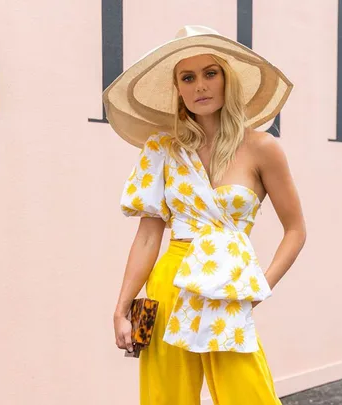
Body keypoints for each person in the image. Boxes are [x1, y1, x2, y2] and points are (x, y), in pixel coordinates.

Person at [105, 25, 306, 405]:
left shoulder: (262, 148)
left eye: (210, 73)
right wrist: (121, 309)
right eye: (188, 77)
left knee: (249, 396)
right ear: (177, 88)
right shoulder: (162, 149)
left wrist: (256, 290)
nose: (200, 85)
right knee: (167, 398)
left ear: (227, 80)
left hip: (226, 290)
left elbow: (295, 230)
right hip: (170, 284)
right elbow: (149, 237)